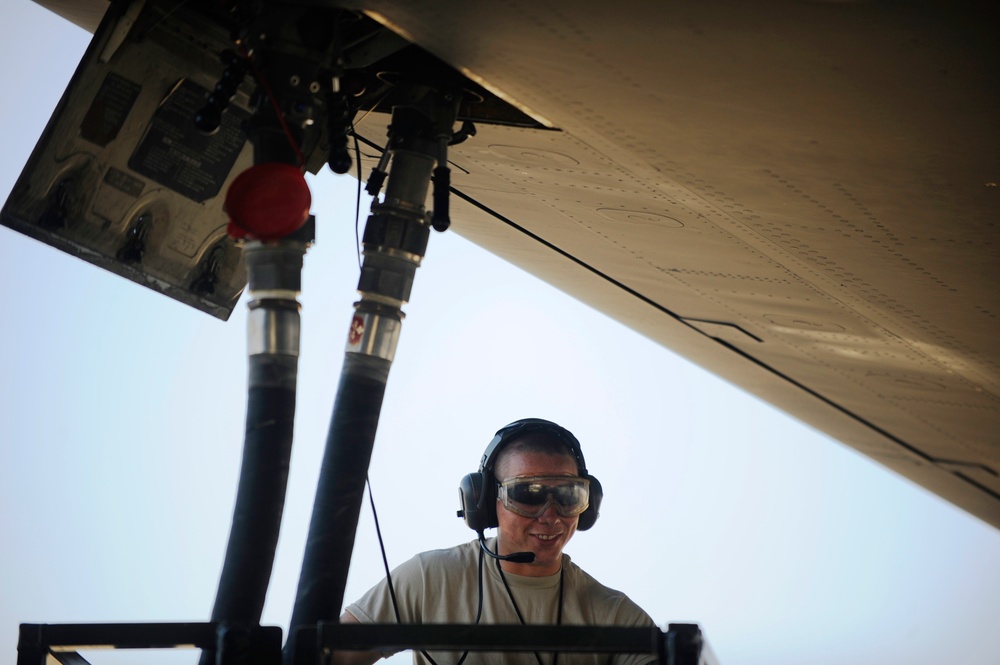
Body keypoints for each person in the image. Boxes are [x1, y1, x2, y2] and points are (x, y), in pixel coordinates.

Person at [336, 418, 656, 665]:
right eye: (527, 495)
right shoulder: (427, 579)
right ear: (486, 501)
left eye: (568, 496)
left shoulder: (618, 618)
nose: (551, 516)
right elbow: (328, 656)